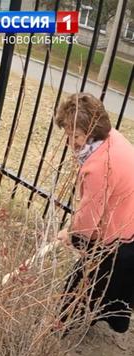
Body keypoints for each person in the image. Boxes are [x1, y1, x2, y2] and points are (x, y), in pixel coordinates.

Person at [55, 93, 134, 333]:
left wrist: (72, 234)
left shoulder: (99, 167)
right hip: (129, 225)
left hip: (119, 234)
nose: (71, 142)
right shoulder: (112, 137)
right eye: (68, 135)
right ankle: (114, 316)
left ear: (92, 132)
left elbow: (89, 217)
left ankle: (60, 326)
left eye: (75, 136)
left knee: (82, 282)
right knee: (115, 282)